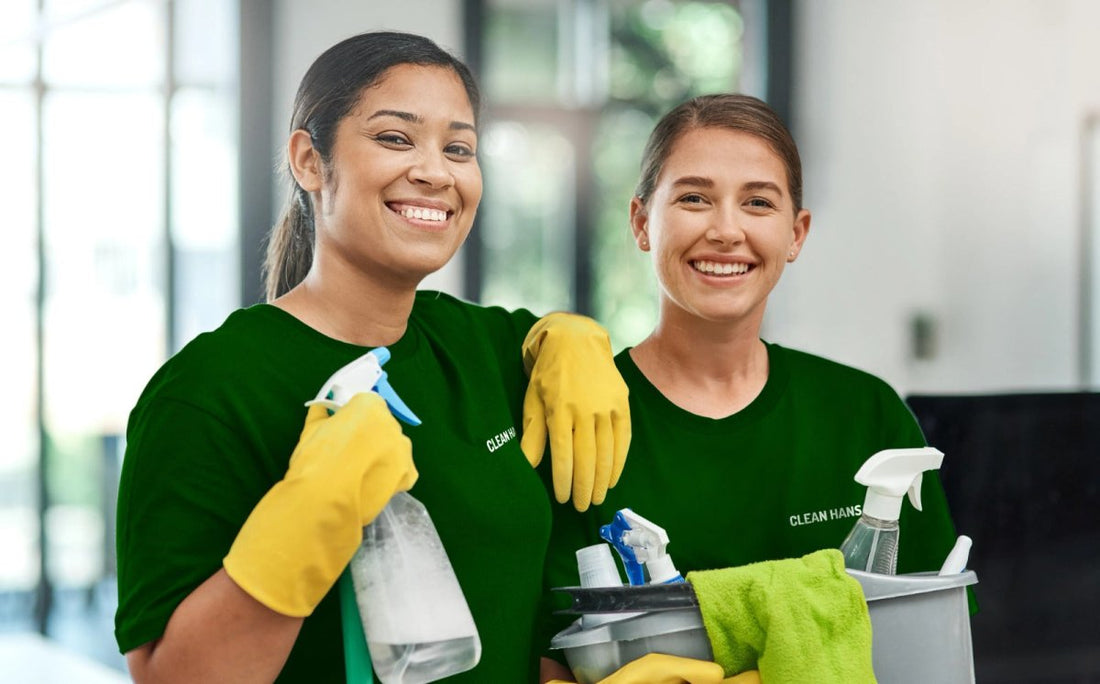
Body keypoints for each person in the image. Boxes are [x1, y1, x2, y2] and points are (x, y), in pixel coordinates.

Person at [114, 31, 630, 683]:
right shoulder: (209, 391)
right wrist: (309, 516)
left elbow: (539, 610)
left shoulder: (491, 349)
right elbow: (170, 677)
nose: (435, 172)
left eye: (459, 148)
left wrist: (578, 332)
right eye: (395, 138)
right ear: (309, 159)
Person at [539, 93, 962, 683]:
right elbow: (545, 655)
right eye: (693, 198)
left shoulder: (864, 415)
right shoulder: (577, 419)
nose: (726, 230)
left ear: (796, 233)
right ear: (641, 222)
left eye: (757, 202)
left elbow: (934, 641)